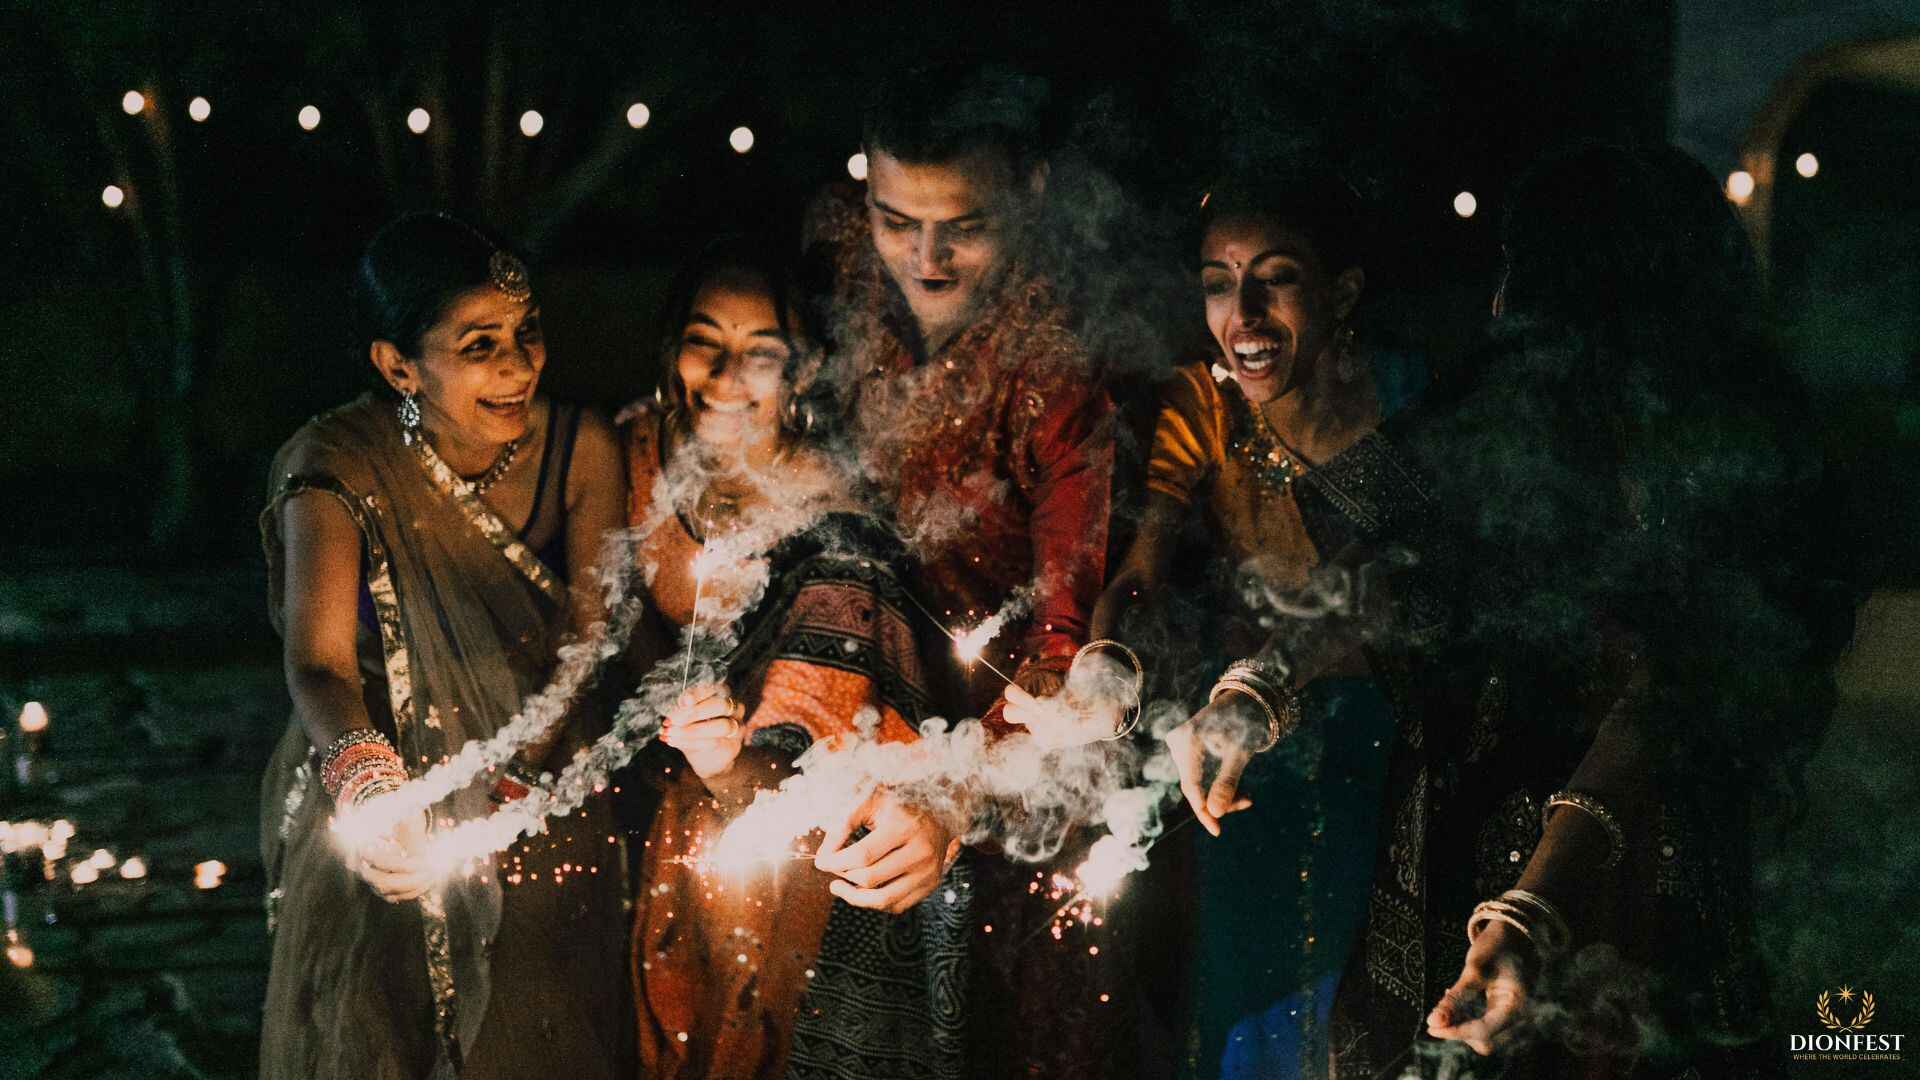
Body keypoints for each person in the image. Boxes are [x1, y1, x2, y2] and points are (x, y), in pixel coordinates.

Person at [1329, 143, 1853, 1077]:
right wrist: (1256, 684)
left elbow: (1688, 685)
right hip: (1450, 886)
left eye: (1527, 279)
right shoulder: (1487, 419)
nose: (1505, 307)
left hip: (1644, 901)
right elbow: (1355, 572)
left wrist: (1536, 899)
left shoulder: (1735, 458)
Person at [805, 63, 1132, 1078]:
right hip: (851, 767)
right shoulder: (843, 276)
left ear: (1030, 191)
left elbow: (1063, 643)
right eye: (897, 219)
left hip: (1013, 806)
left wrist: (955, 795)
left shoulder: (1068, 369)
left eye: (964, 226)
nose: (927, 257)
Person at [257, 211, 632, 1079]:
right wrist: (377, 792)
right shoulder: (340, 466)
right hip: (384, 784)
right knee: (383, 1029)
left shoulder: (581, 450)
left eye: (527, 331)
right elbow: (318, 665)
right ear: (398, 366)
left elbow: (589, 639)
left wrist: (512, 783)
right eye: (479, 344)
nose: (517, 363)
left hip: (539, 785)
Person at [1066, 173, 1420, 1078]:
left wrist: (1266, 682)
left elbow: (1395, 589)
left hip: (1393, 743)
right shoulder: (1206, 402)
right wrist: (1111, 658)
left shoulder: (1404, 398)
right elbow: (1143, 572)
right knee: (1249, 1017)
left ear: (1343, 291)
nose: (1245, 312)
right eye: (1220, 282)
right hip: (1241, 758)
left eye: (1277, 278)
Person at [621, 235, 972, 1080]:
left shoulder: (839, 517)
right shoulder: (635, 455)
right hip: (669, 820)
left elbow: (849, 703)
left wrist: (739, 761)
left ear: (804, 370)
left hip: (790, 845)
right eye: (706, 341)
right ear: (673, 351)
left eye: (761, 352)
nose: (728, 375)